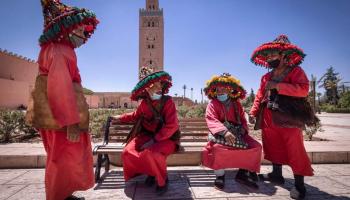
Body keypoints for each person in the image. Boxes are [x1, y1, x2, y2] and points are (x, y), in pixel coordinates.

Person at [26, 0, 99, 199]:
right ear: (69, 28)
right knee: (63, 159)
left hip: (53, 117)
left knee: (62, 158)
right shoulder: (60, 51)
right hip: (61, 120)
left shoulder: (54, 49)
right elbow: (60, 88)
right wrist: (71, 123)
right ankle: (57, 196)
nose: (85, 35)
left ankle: (64, 194)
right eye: (82, 29)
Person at [249, 35, 314, 199]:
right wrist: (254, 111)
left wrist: (279, 86)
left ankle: (299, 185)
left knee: (295, 149)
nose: (270, 58)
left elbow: (303, 90)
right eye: (268, 56)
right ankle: (276, 175)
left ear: (284, 56)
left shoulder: (296, 71)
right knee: (272, 145)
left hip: (290, 118)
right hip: (269, 117)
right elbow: (259, 95)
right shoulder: (265, 77)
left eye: (273, 55)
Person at [112, 66, 180, 195]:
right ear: (147, 89)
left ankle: (162, 180)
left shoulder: (168, 102)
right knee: (127, 152)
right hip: (147, 135)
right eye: (154, 85)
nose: (159, 87)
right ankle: (151, 172)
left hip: (166, 138)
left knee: (152, 153)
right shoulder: (144, 103)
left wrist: (154, 140)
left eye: (160, 84)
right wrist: (120, 117)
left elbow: (172, 126)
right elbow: (135, 116)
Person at [202, 73, 262, 190]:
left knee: (256, 147)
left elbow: (243, 121)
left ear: (230, 89)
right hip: (220, 135)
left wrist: (242, 131)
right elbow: (211, 119)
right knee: (217, 149)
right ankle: (220, 176)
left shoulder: (237, 104)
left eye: (223, 88)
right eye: (217, 89)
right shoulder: (212, 104)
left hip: (237, 134)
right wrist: (224, 132)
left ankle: (243, 173)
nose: (220, 91)